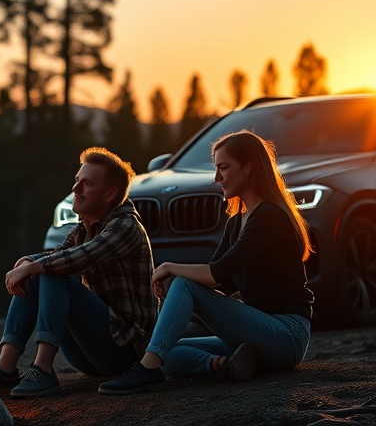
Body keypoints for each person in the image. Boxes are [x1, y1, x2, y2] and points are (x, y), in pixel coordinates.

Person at [98, 130, 313, 395]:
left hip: (286, 334)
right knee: (163, 351)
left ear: (248, 168)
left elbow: (216, 273)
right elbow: (222, 282)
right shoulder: (237, 222)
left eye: (224, 168)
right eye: (216, 169)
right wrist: (178, 300)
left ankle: (146, 372)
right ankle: (224, 365)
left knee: (183, 286)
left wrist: (167, 268)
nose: (217, 178)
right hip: (256, 334)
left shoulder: (269, 216)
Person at [0, 147, 158, 398]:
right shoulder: (85, 228)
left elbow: (82, 256)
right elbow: (57, 254)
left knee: (52, 271)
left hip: (126, 352)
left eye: (87, 184)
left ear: (110, 193)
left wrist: (35, 265)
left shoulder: (125, 225)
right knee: (44, 269)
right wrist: (29, 261)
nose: (76, 189)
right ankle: (4, 369)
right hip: (90, 352)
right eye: (76, 181)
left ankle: (43, 370)